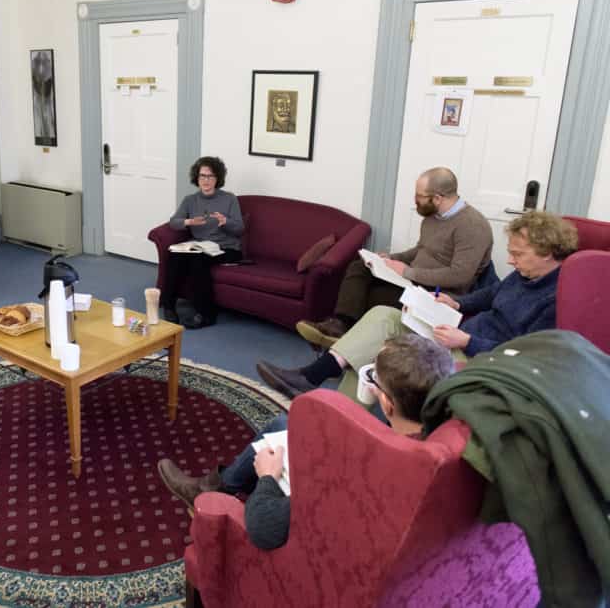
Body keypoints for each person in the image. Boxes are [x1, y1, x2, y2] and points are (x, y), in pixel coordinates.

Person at [159, 334, 453, 549]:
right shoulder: (444, 435)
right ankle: (220, 485)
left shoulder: (367, 476)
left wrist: (267, 479)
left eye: (374, 378)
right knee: (283, 424)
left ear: (387, 403)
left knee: (271, 449)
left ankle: (213, 493)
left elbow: (265, 529)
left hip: (307, 533)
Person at [260, 211, 576, 399]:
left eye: (518, 254)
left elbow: (521, 355)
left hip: (477, 354)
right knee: (384, 315)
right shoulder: (524, 275)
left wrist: (468, 341)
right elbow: (489, 296)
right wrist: (456, 301)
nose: (510, 260)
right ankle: (316, 378)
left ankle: (330, 398)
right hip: (456, 331)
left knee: (380, 353)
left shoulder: (557, 299)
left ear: (548, 252)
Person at [297, 167, 492, 347]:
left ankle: (340, 342)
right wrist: (389, 259)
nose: (415, 200)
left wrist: (408, 271)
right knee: (360, 267)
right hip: (413, 281)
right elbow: (421, 250)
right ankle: (340, 326)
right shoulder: (433, 217)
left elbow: (460, 276)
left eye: (419, 196)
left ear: (438, 198)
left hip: (437, 295)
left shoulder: (472, 226)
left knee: (373, 296)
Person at [161, 156, 245, 329]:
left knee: (199, 261)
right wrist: (188, 222)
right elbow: (173, 222)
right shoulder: (190, 200)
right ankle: (169, 306)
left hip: (226, 248)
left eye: (210, 176)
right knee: (174, 255)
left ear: (218, 179)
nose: (206, 180)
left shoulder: (229, 199)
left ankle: (206, 314)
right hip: (199, 246)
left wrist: (225, 222)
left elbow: (239, 229)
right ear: (196, 178)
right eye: (202, 176)